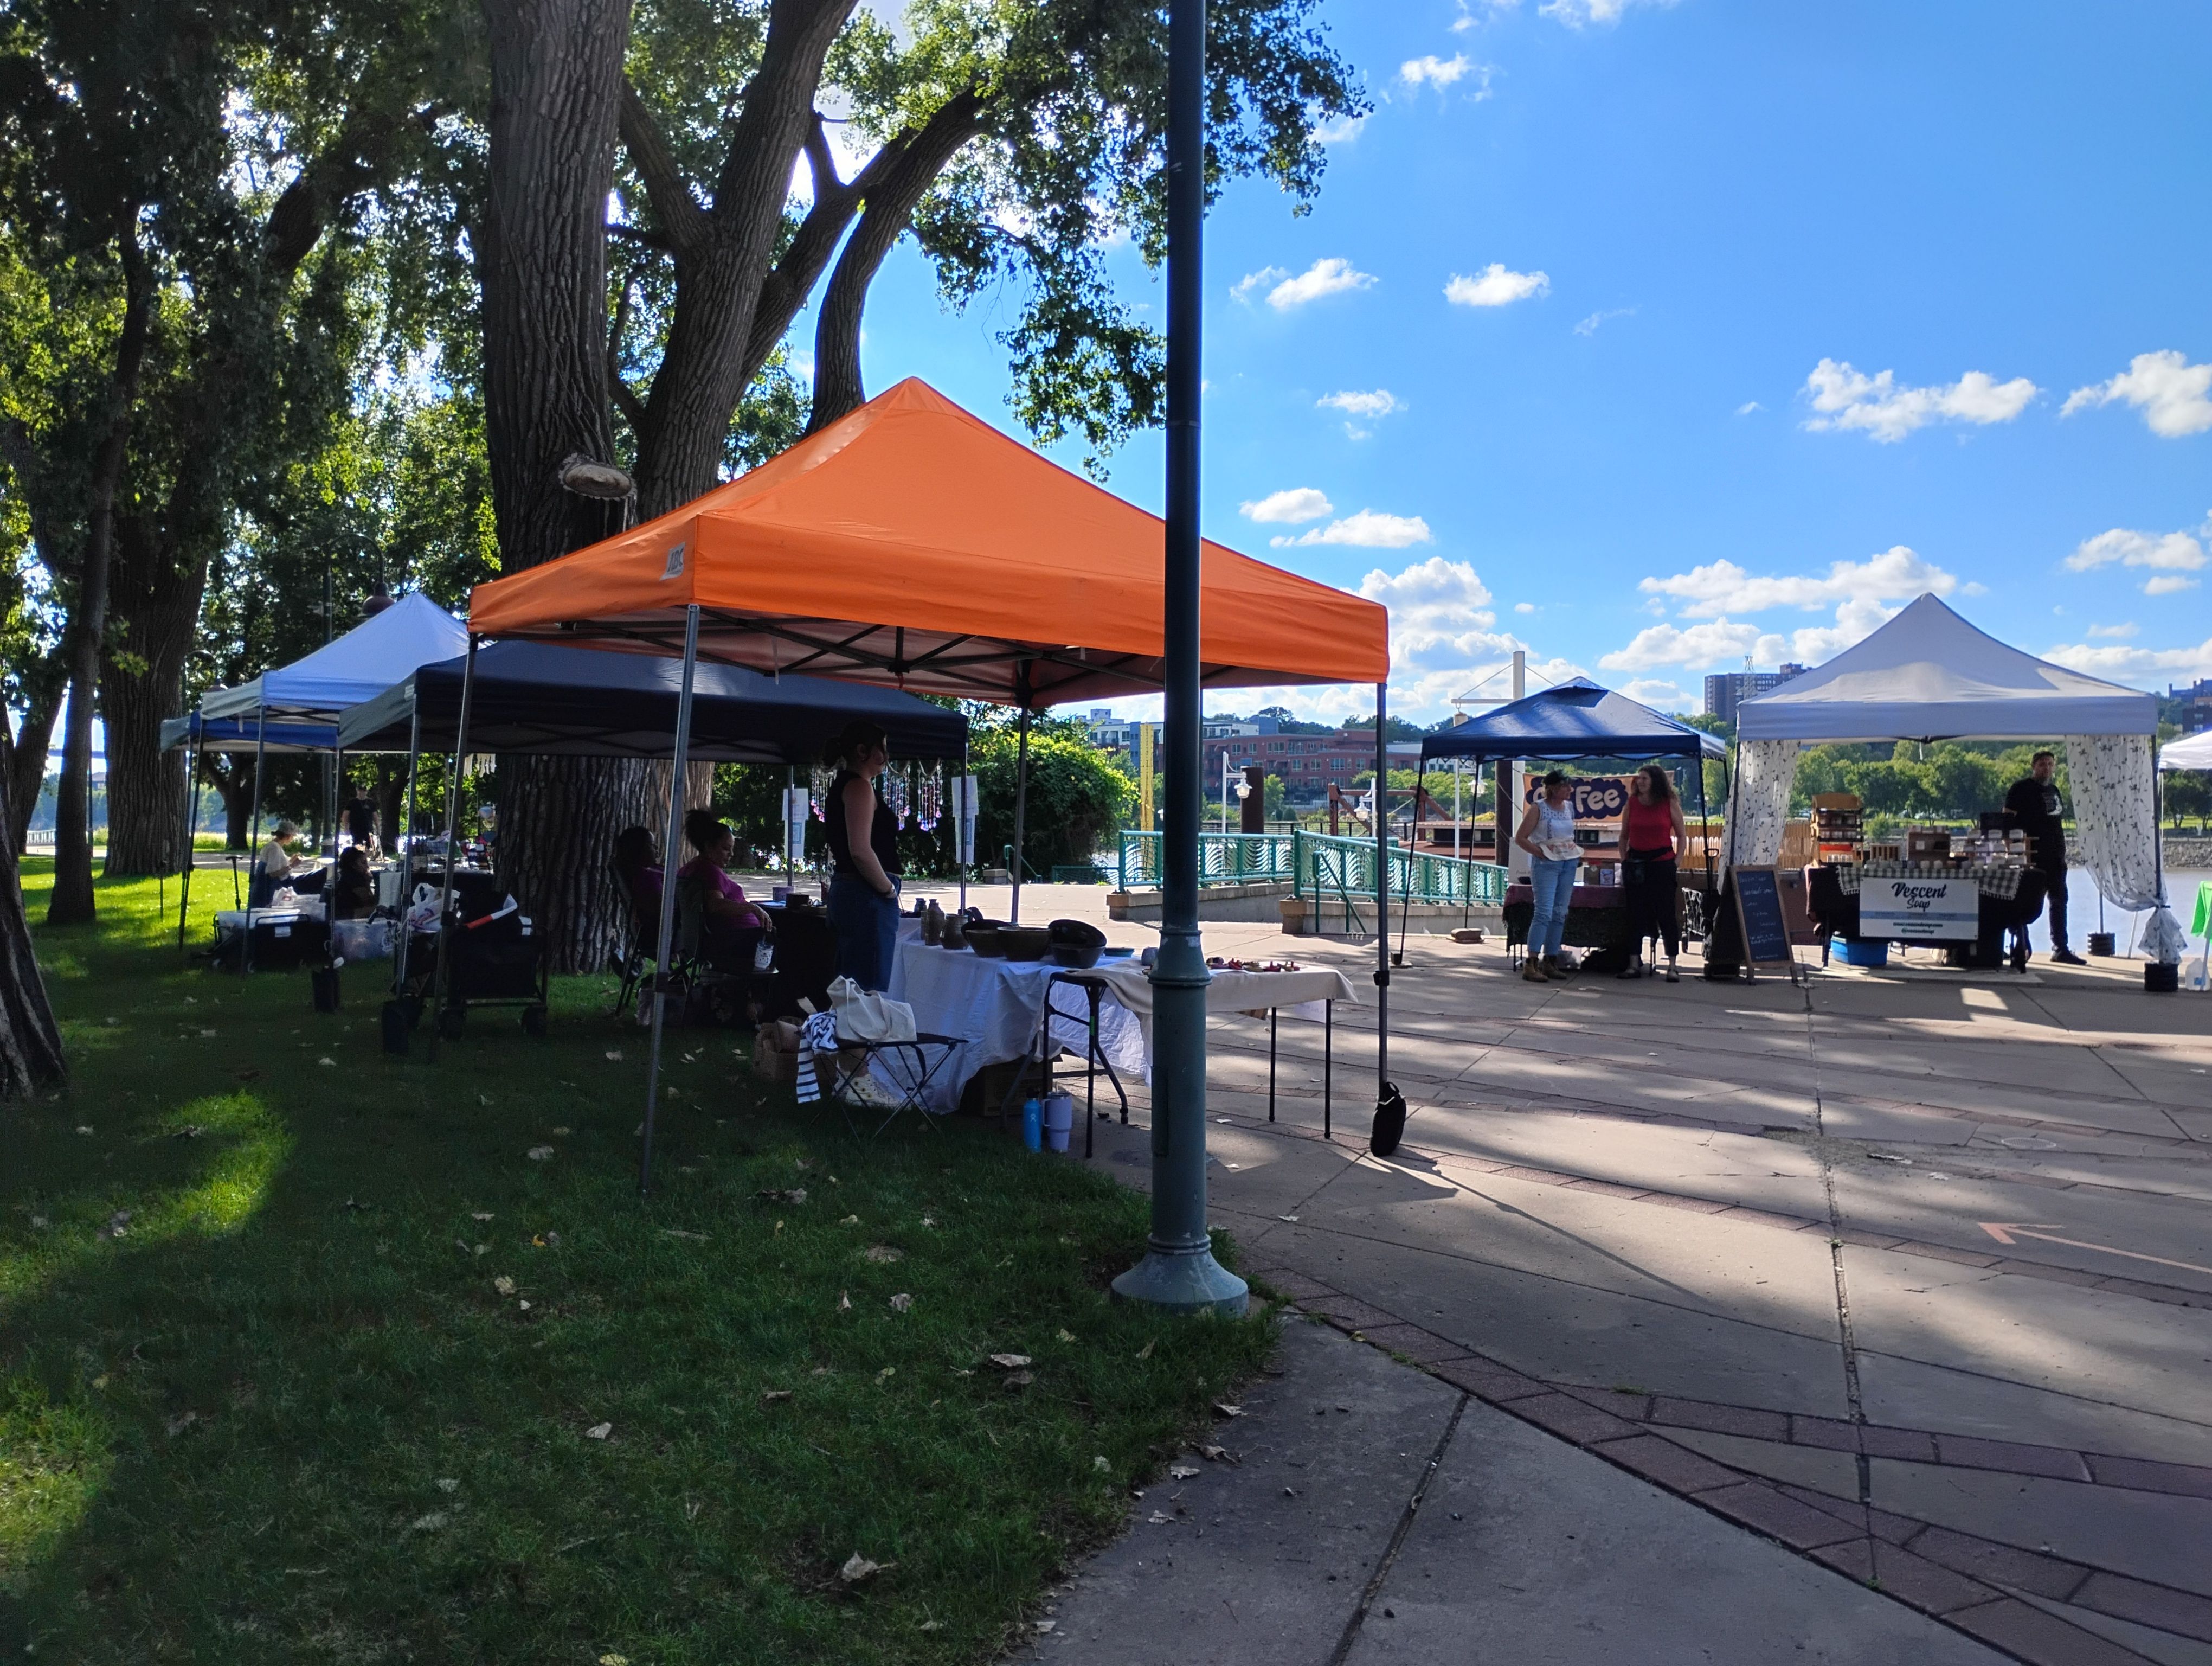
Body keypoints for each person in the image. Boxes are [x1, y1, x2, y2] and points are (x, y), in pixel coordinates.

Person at [824, 720, 902, 991]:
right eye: (881, 748)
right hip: (866, 893)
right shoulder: (859, 787)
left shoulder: (845, 786)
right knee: (867, 989)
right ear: (861, 751)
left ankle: (840, 1034)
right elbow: (860, 851)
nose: (886, 756)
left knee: (850, 986)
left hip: (853, 892)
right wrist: (889, 890)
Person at [2005, 750, 2085, 967]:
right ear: (2033, 766)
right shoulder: (2020, 789)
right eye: (2042, 764)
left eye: (2050, 764)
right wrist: (2012, 848)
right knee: (2026, 902)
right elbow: (2007, 820)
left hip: (2056, 855)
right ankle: (2021, 942)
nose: (2047, 768)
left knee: (2060, 900)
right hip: (2032, 855)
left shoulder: (2055, 790)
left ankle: (2060, 948)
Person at [1619, 763, 1688, 982]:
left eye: (1645, 779)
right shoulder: (1631, 803)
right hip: (1636, 863)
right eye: (1639, 778)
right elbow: (1623, 836)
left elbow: (1682, 836)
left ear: (1655, 781)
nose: (1640, 781)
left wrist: (1675, 863)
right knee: (1634, 914)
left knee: (1666, 914)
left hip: (1662, 863)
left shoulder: (1669, 803)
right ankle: (1633, 963)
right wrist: (1624, 861)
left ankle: (1672, 965)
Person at [1514, 772, 1580, 983]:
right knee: (1544, 911)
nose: (1570, 790)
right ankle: (1531, 962)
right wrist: (1540, 852)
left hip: (1567, 862)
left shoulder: (1569, 808)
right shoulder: (1538, 809)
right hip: (1546, 865)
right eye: (1565, 786)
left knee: (1560, 912)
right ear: (1552, 788)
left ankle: (1551, 960)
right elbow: (1520, 838)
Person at [679, 810, 771, 941]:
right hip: (735, 941)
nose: (731, 854)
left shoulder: (690, 869)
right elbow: (716, 904)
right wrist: (752, 908)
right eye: (726, 849)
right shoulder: (710, 872)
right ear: (709, 847)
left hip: (731, 937)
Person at [250, 820, 302, 908]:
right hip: (279, 885)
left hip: (280, 882)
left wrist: (291, 861)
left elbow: (276, 866)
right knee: (317, 876)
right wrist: (292, 865)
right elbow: (273, 873)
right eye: (293, 836)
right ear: (288, 836)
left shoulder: (274, 846)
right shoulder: (274, 848)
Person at [329, 844, 378, 919]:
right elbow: (368, 902)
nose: (367, 867)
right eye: (364, 863)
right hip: (344, 916)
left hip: (331, 913)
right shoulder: (354, 877)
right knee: (379, 910)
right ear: (353, 865)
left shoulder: (339, 875)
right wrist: (367, 885)